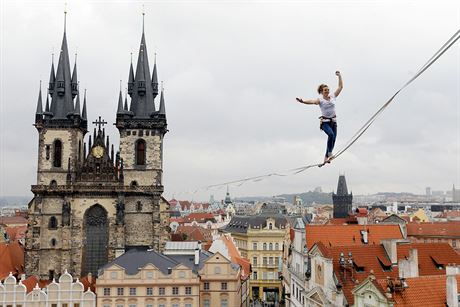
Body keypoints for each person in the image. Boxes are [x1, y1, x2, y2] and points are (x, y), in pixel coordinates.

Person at [296, 71, 343, 164]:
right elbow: (312, 101)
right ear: (322, 92)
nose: (327, 91)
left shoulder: (333, 96)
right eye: (325, 90)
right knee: (331, 135)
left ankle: (326, 157)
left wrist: (339, 76)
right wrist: (303, 101)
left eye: (328, 90)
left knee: (333, 139)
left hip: (334, 122)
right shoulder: (320, 100)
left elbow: (340, 87)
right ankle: (329, 153)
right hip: (325, 122)